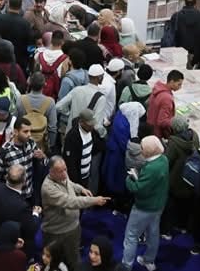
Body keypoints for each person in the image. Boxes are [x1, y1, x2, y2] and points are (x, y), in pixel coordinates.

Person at [40, 156, 109, 271]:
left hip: (73, 227)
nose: (64, 173)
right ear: (51, 172)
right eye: (60, 171)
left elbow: (70, 184)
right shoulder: (48, 188)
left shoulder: (62, 176)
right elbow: (71, 202)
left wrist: (81, 189)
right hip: (56, 232)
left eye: (65, 169)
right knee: (54, 262)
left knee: (74, 257)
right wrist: (94, 200)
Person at [120, 136, 168, 271]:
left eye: (142, 148)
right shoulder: (163, 160)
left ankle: (126, 266)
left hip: (144, 208)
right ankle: (149, 261)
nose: (140, 150)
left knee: (131, 236)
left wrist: (129, 179)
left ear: (149, 151)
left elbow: (137, 189)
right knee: (153, 234)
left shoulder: (151, 168)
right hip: (158, 206)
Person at [0, 164, 38, 254]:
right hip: (7, 249)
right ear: (24, 180)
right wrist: (35, 214)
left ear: (6, 176)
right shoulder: (22, 206)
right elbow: (31, 229)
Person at [169, 0, 200, 67]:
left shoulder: (176, 16)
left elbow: (172, 32)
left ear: (184, 2)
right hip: (195, 52)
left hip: (179, 50)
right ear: (195, 3)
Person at [147, 69, 182, 139]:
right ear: (172, 82)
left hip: (150, 124)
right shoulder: (167, 98)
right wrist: (176, 123)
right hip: (158, 133)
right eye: (179, 84)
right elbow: (162, 121)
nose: (180, 87)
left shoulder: (158, 89)